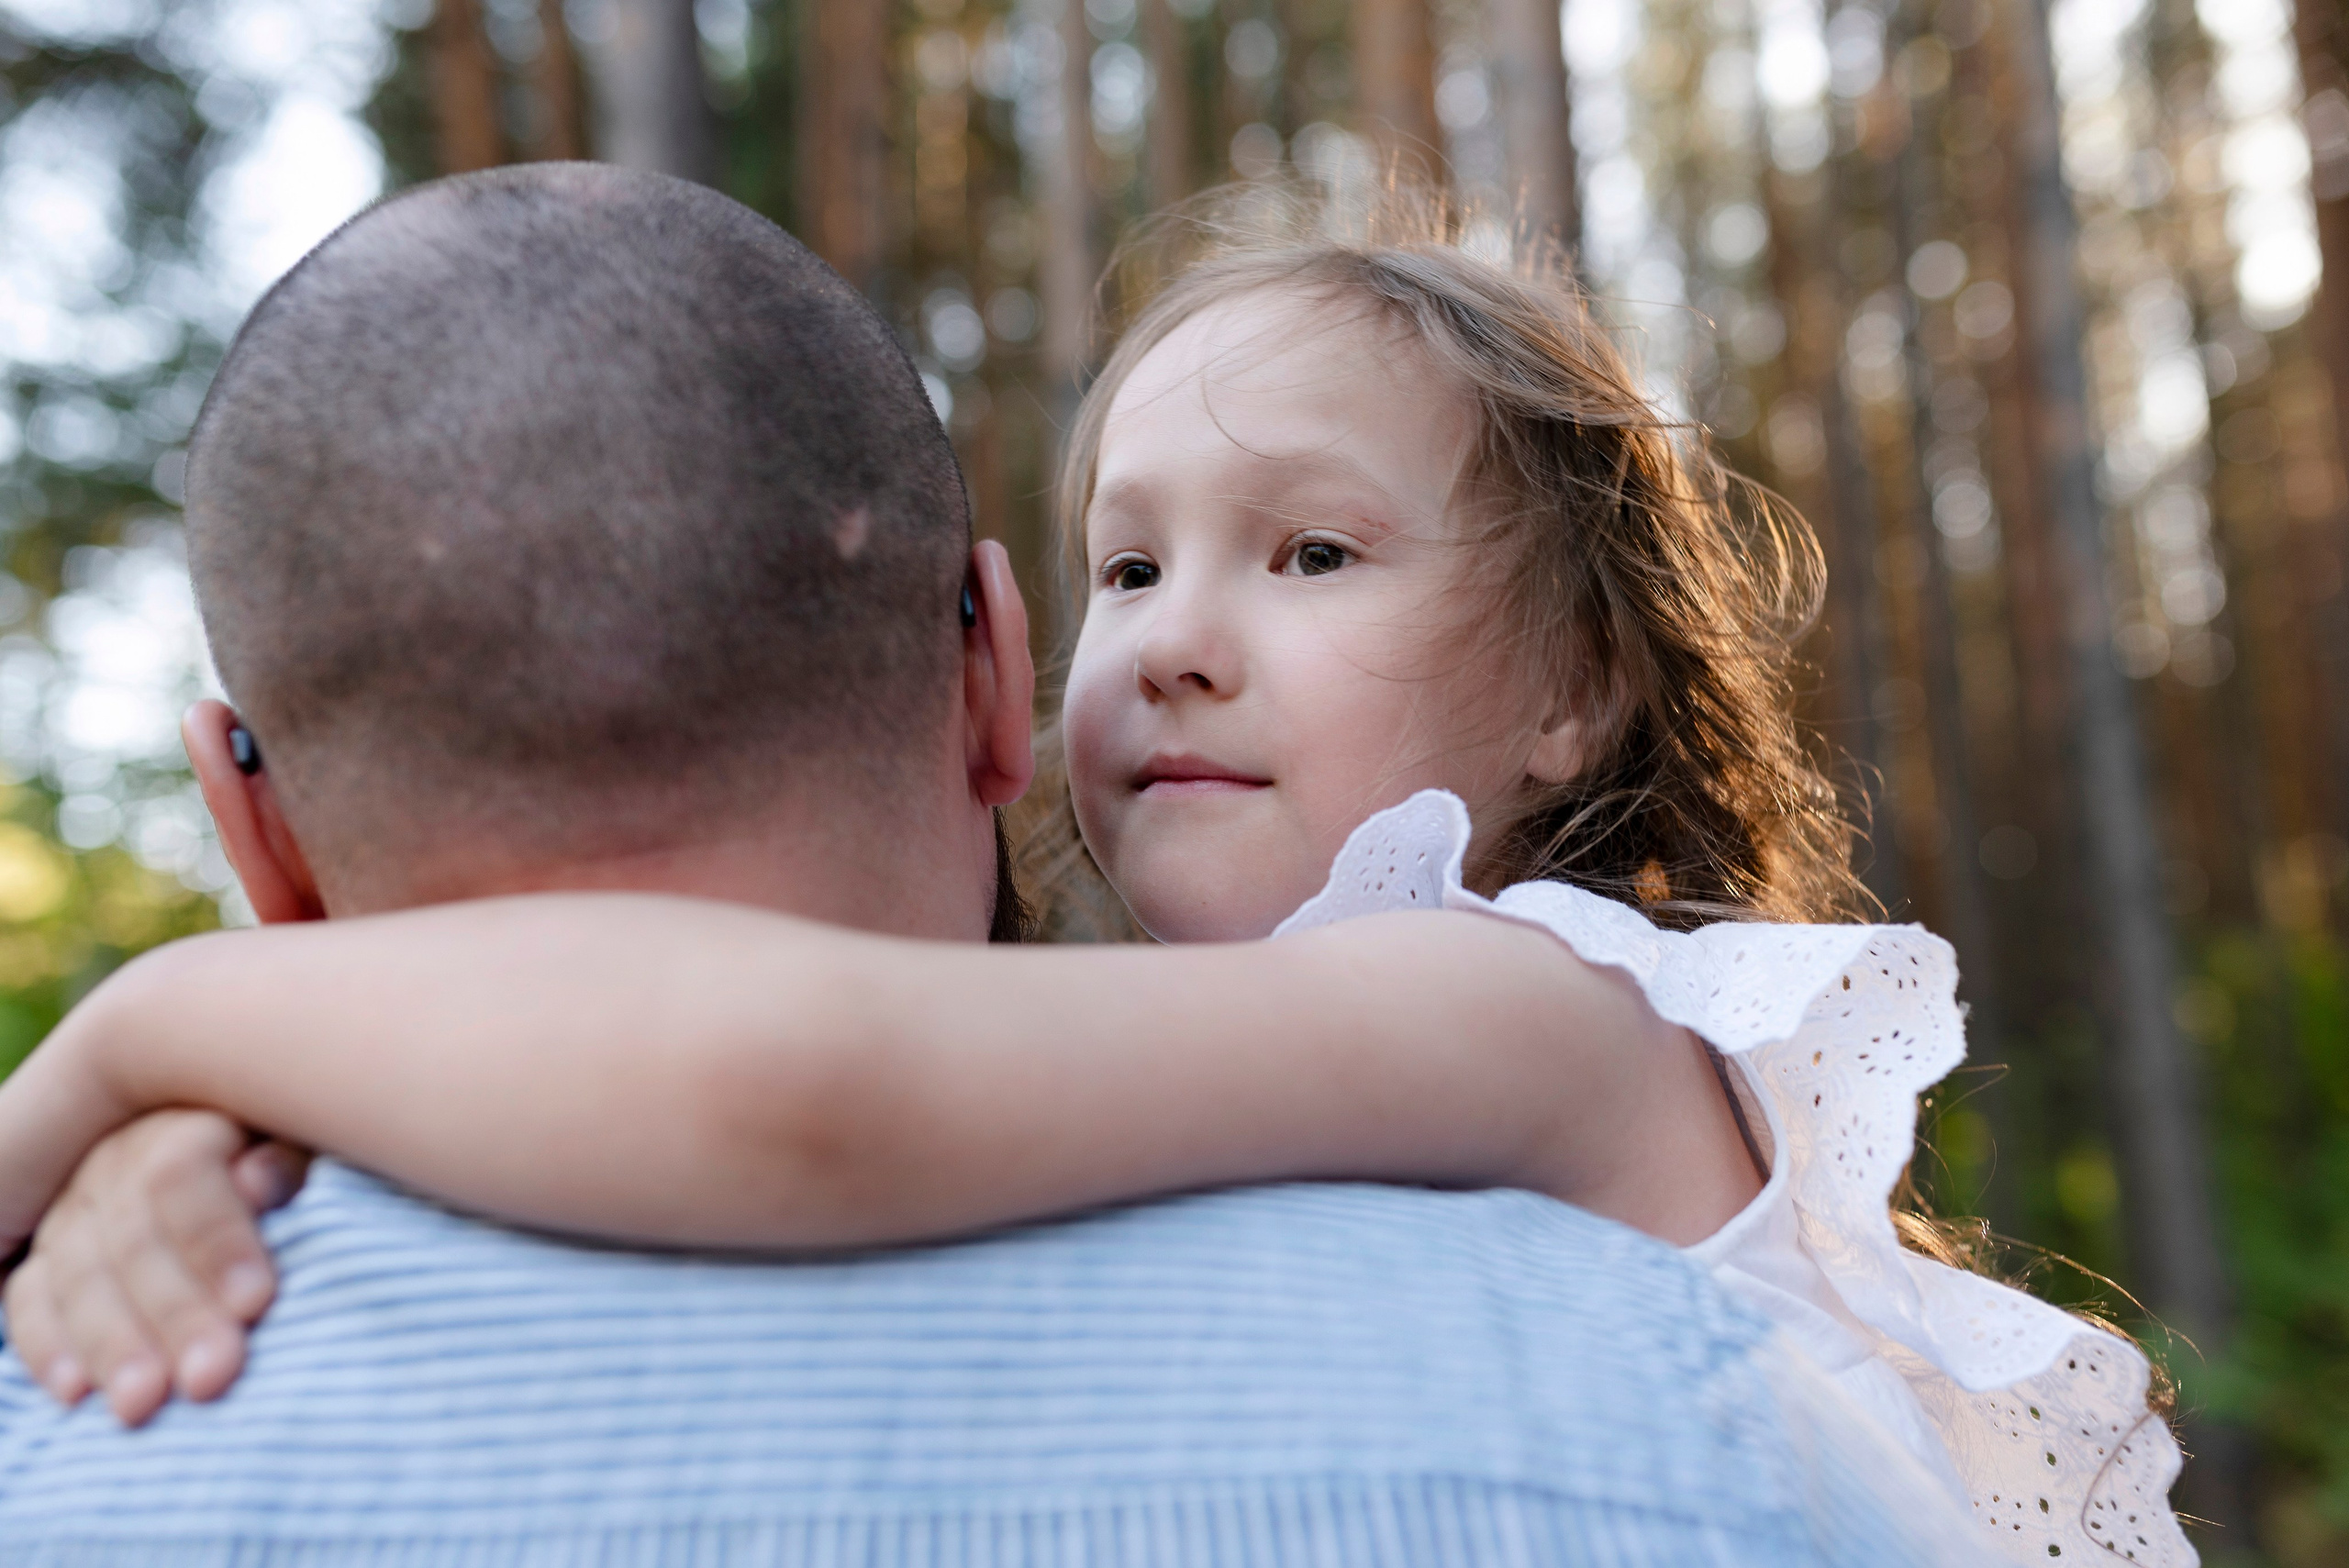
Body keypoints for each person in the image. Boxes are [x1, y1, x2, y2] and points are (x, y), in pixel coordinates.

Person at [0, 161, 1987, 1566]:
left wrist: (162, 1037)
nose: (1176, 640)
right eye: (1129, 563)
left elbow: (799, 1080)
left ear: (1575, 685)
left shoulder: (1534, 1005)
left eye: (1310, 552)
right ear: (1002, 664)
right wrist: (230, 1141)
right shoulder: (1267, 1056)